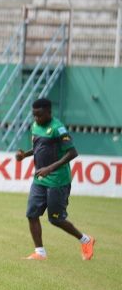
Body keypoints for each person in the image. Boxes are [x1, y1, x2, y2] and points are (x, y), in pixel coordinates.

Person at [16, 98, 95, 260]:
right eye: (34, 115)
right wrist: (24, 155)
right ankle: (40, 252)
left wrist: (50, 168)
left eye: (39, 115)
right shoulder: (35, 126)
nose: (36, 118)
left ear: (49, 112)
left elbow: (72, 152)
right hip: (40, 179)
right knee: (31, 214)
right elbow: (38, 147)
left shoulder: (58, 128)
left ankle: (86, 240)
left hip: (58, 180)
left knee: (56, 219)